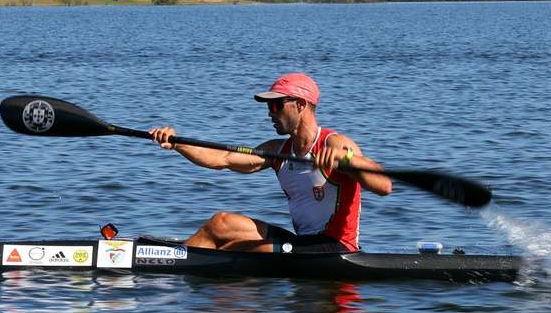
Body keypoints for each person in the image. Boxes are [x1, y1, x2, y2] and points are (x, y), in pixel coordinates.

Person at [149, 73, 392, 254]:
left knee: (249, 249)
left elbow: (384, 186)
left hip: (336, 246)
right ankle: (175, 260)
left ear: (300, 105)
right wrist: (177, 143)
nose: (270, 113)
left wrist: (346, 160)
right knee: (221, 223)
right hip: (302, 241)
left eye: (276, 105)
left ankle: (188, 268)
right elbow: (222, 159)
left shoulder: (335, 144)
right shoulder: (277, 150)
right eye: (268, 106)